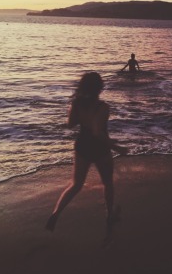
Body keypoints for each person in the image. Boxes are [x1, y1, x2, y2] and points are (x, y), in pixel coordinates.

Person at [46, 72, 127, 232]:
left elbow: (70, 124)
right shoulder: (103, 107)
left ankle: (55, 214)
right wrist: (116, 147)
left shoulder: (76, 104)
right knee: (108, 183)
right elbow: (97, 132)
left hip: (82, 145)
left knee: (76, 184)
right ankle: (109, 215)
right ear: (99, 88)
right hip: (99, 148)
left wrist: (82, 117)